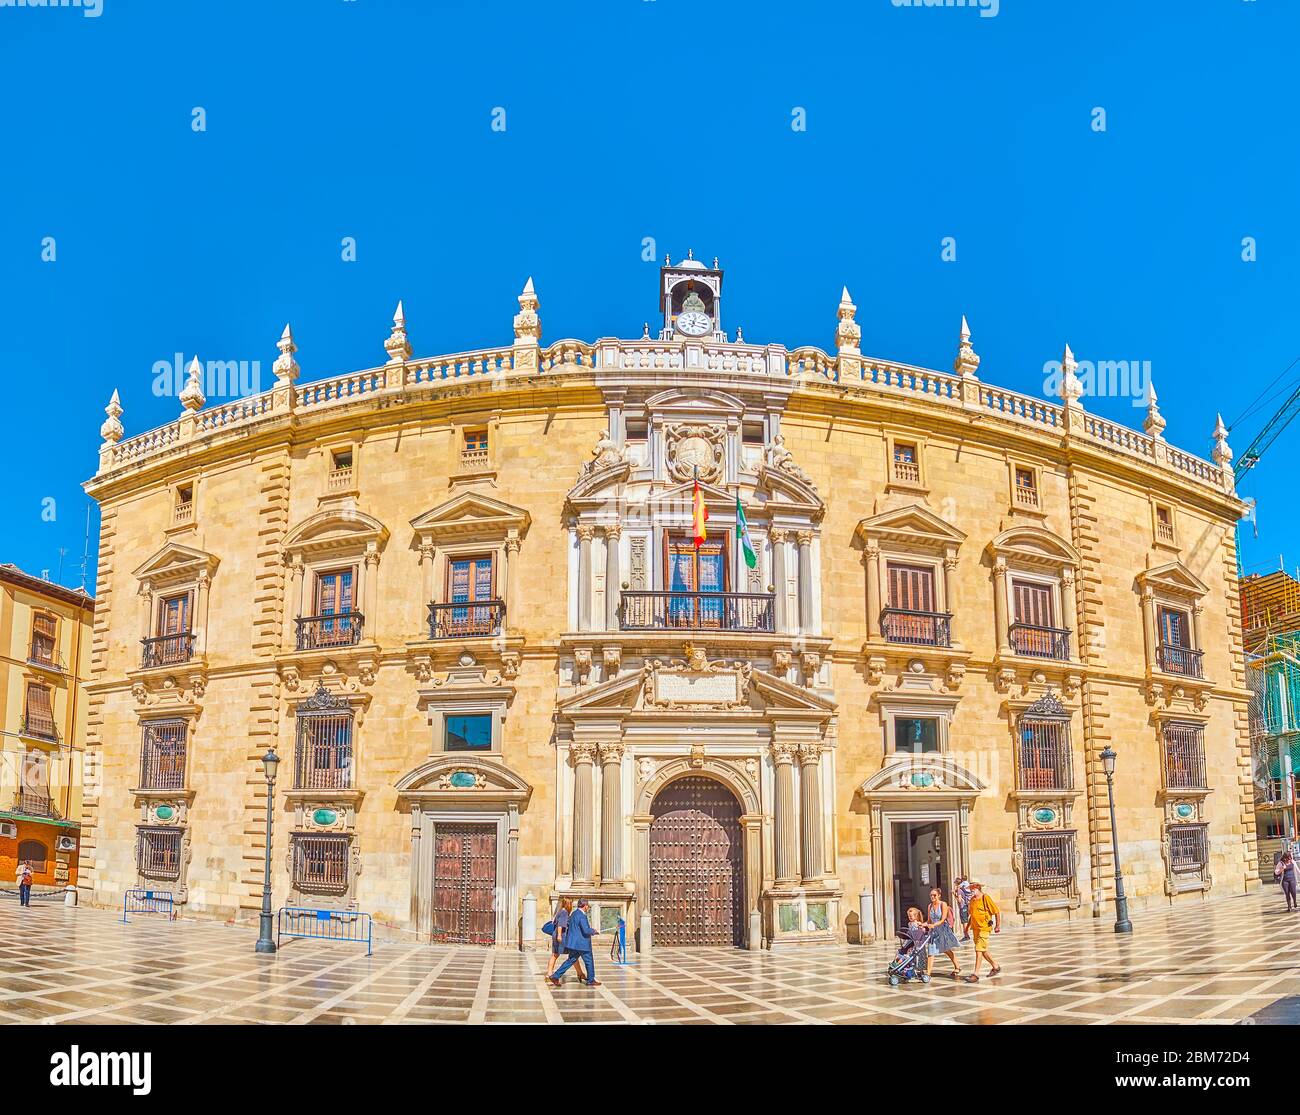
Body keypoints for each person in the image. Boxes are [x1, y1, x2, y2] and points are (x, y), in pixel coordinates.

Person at [549, 898, 601, 987]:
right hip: (582, 944)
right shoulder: (582, 916)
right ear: (585, 906)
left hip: (573, 944)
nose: (588, 908)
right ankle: (591, 980)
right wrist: (593, 931)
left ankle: (555, 976)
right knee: (589, 961)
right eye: (587, 906)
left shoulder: (574, 913)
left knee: (570, 961)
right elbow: (585, 930)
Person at [963, 881, 1001, 982]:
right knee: (982, 950)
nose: (971, 891)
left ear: (978, 889)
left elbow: (996, 911)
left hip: (984, 928)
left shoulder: (985, 898)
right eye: (970, 890)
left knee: (978, 949)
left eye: (973, 889)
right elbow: (972, 916)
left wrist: (997, 926)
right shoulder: (972, 900)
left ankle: (975, 974)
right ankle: (995, 966)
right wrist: (966, 929)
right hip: (975, 928)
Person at [924, 887, 962, 979]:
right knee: (931, 951)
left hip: (943, 930)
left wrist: (934, 925)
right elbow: (929, 920)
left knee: (946, 949)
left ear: (939, 896)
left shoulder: (943, 904)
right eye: (931, 895)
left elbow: (943, 919)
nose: (932, 897)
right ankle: (928, 973)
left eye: (934, 895)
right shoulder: (930, 906)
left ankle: (957, 966)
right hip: (934, 932)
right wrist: (922, 924)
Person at [952, 875, 973, 941]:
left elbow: (959, 900)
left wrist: (954, 894)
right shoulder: (963, 889)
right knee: (966, 920)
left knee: (964, 921)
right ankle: (967, 934)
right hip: (966, 906)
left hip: (963, 906)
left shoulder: (959, 890)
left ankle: (966, 935)